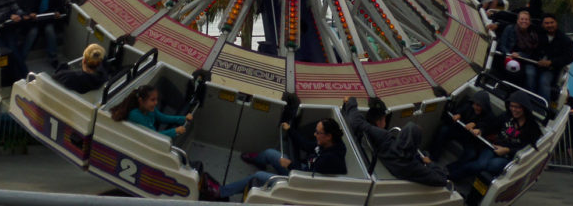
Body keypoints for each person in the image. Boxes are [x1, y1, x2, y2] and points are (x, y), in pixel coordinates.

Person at [219, 117, 347, 199]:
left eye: (318, 133)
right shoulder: (327, 144)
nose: (314, 134)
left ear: (328, 136)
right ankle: (259, 160)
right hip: (303, 171)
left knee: (257, 176)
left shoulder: (330, 159)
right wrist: (290, 130)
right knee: (270, 153)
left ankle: (220, 192)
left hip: (300, 185)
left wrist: (289, 165)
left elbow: (305, 179)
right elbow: (307, 146)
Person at [343, 96, 447, 186]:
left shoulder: (384, 140)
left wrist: (351, 101)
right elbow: (442, 179)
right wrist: (430, 163)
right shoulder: (412, 166)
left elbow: (357, 122)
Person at [447, 91, 540, 181]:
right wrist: (480, 130)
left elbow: (528, 149)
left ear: (524, 108)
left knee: (492, 165)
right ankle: (452, 175)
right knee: (480, 164)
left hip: (509, 156)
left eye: (518, 107)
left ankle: (455, 172)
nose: (514, 109)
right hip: (493, 147)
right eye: (512, 106)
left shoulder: (532, 128)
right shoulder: (506, 116)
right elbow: (492, 125)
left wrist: (507, 150)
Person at [21, 0, 69, 69]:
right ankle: (22, 57)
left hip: (48, 19)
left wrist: (57, 12)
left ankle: (53, 58)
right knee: (32, 33)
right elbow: (27, 6)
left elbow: (59, 6)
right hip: (35, 20)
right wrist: (31, 13)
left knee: (50, 31)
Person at [430, 90, 497, 163]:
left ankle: (451, 170)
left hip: (471, 140)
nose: (475, 107)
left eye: (478, 105)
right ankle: (433, 157)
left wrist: (478, 127)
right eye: (474, 104)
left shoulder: (490, 116)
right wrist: (458, 114)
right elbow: (460, 110)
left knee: (471, 154)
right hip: (459, 130)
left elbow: (487, 127)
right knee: (443, 130)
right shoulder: (469, 104)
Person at [111, 84, 193, 139]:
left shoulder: (149, 109)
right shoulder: (135, 115)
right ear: (141, 100)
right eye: (152, 100)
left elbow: (163, 118)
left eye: (156, 99)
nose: (156, 103)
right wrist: (175, 131)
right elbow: (153, 136)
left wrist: (183, 118)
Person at [534, 14, 573, 102]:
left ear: (556, 23)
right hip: (534, 65)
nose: (549, 25)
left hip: (552, 70)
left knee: (544, 81)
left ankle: (544, 108)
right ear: (542, 25)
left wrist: (551, 62)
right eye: (546, 23)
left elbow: (569, 57)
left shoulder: (565, 40)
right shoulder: (537, 35)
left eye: (551, 22)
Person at [499, 11, 539, 93]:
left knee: (530, 74)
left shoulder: (533, 34)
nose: (524, 21)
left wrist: (520, 55)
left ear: (530, 22)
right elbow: (502, 45)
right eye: (522, 19)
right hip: (509, 58)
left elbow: (532, 53)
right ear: (517, 21)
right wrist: (509, 54)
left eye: (526, 19)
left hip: (525, 60)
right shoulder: (509, 29)